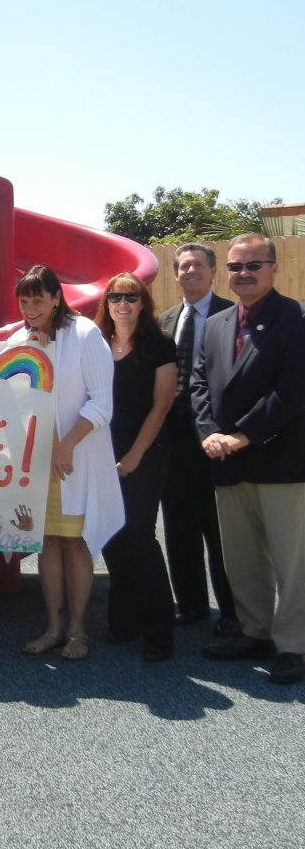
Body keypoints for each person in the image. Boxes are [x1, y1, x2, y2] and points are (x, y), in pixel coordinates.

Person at [192, 234, 305, 685]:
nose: (244, 274)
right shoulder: (216, 324)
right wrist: (209, 435)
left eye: (253, 265)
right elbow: (198, 384)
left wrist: (241, 436)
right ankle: (255, 631)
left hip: (281, 461)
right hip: (226, 461)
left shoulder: (296, 318)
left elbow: (292, 391)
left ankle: (294, 644)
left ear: (274, 268)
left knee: (292, 561)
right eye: (236, 266)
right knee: (242, 557)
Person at [15, 264, 124, 662]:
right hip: (37, 461)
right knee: (46, 541)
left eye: (38, 300)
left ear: (56, 298)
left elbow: (102, 402)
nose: (30, 309)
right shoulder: (19, 338)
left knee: (76, 543)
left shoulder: (85, 334)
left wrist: (67, 445)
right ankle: (52, 627)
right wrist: (33, 350)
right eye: (24, 302)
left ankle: (78, 629)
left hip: (75, 458)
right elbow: (2, 389)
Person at [94, 273, 177, 662]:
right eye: (115, 297)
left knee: (140, 538)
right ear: (106, 303)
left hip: (145, 453)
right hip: (101, 455)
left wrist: (134, 456)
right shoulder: (97, 343)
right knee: (111, 536)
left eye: (131, 297)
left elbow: (162, 405)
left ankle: (159, 632)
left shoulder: (159, 344)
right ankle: (125, 620)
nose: (122, 304)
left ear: (143, 302)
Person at [158, 242, 238, 634]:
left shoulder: (232, 315)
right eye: (183, 266)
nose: (190, 271)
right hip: (173, 438)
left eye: (197, 266)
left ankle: (233, 613)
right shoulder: (166, 319)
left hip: (217, 437)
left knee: (220, 530)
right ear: (175, 274)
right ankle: (190, 605)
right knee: (179, 525)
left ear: (213, 271)